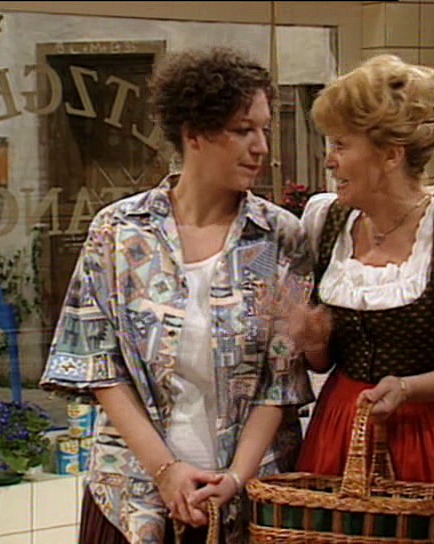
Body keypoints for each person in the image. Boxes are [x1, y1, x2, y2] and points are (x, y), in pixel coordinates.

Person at [39, 47, 315, 544]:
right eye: (242, 130)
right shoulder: (119, 231)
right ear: (194, 134)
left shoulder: (280, 237)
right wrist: (165, 471)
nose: (261, 147)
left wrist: (236, 478)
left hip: (252, 496)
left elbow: (281, 382)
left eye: (264, 130)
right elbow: (99, 366)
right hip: (133, 494)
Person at [287, 54, 434, 529]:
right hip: (341, 431)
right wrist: (313, 340)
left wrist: (410, 388)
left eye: (341, 145)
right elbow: (323, 362)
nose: (330, 160)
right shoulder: (326, 221)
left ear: (390, 155)